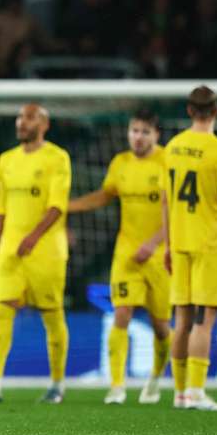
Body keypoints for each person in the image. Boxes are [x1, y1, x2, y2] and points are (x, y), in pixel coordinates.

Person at [0, 104, 71, 403]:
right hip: (11, 251)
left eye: (29, 118)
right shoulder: (6, 160)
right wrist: (1, 247)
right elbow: (1, 209)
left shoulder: (57, 158)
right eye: (20, 118)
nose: (22, 123)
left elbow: (57, 206)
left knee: (51, 316)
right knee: (1, 309)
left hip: (46, 252)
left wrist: (34, 237)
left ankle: (57, 384)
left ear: (44, 124)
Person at [68, 110, 172, 404]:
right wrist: (69, 206)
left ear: (156, 135)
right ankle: (116, 386)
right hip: (126, 253)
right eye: (134, 131)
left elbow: (177, 212)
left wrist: (152, 244)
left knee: (161, 325)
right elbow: (105, 195)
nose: (137, 137)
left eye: (144, 132)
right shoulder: (120, 163)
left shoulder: (168, 162)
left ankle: (154, 378)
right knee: (121, 314)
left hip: (160, 255)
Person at [164, 86, 217, 411]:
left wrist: (168, 244)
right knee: (204, 321)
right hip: (209, 244)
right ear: (216, 110)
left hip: (180, 242)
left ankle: (180, 393)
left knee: (182, 320)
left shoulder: (172, 147)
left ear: (188, 110)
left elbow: (167, 200)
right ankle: (196, 392)